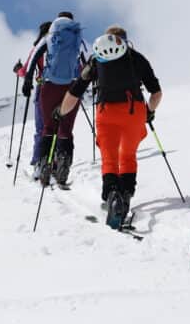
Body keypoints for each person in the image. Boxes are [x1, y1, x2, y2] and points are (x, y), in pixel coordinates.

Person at [60, 25, 162, 229]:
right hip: (134, 112)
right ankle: (125, 194)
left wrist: (60, 112)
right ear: (124, 40)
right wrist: (149, 112)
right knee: (128, 156)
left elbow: (76, 90)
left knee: (109, 157)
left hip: (106, 113)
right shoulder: (136, 58)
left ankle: (112, 195)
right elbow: (156, 93)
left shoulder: (96, 59)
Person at [25, 12, 86, 186]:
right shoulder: (76, 38)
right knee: (65, 128)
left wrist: (28, 79)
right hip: (72, 88)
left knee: (48, 127)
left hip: (49, 86)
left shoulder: (50, 36)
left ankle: (44, 163)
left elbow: (35, 57)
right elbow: (84, 64)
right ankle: (63, 163)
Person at [19, 20, 52, 170]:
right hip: (63, 88)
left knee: (42, 127)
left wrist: (18, 70)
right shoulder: (62, 45)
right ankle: (54, 160)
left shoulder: (39, 47)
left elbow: (26, 70)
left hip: (43, 87)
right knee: (58, 126)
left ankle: (38, 162)